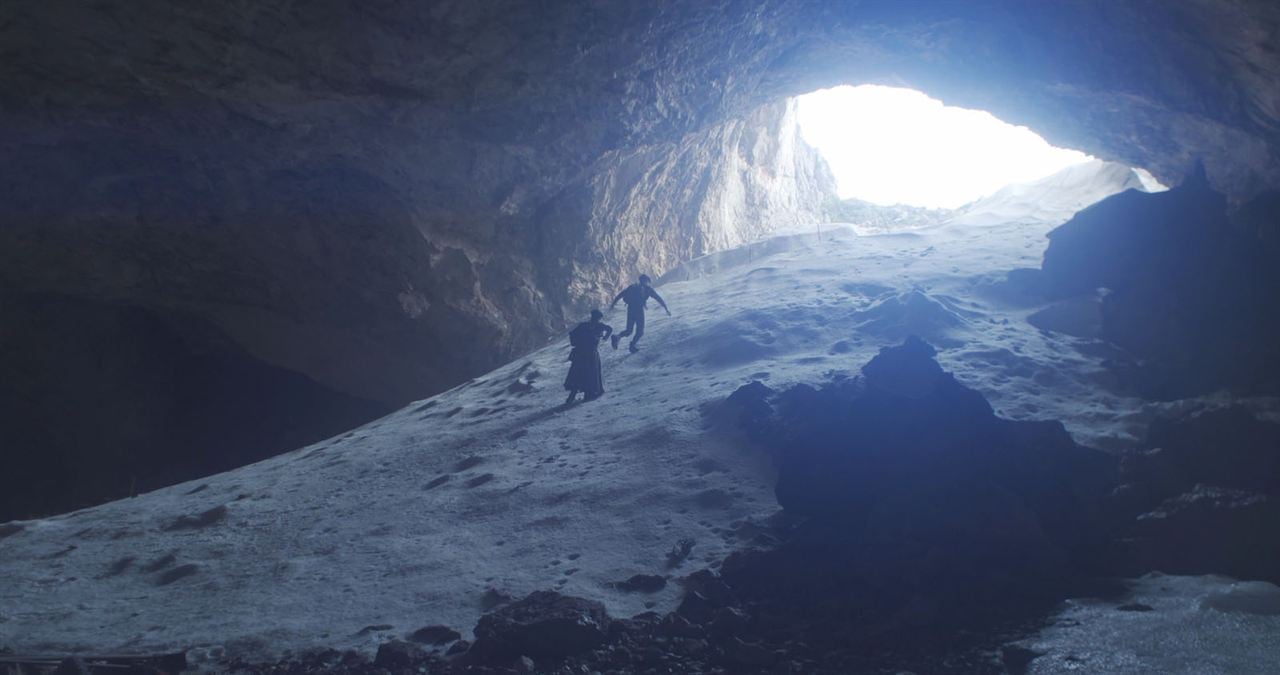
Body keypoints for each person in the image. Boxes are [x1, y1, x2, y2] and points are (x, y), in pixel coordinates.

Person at [610, 274, 670, 353]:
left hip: (631, 309)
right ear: (646, 281)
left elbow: (620, 295)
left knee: (629, 330)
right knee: (640, 332)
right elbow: (658, 298)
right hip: (639, 310)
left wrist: (613, 305)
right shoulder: (648, 289)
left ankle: (617, 337)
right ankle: (632, 345)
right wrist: (666, 308)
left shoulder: (632, 287)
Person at [563, 309, 612, 405]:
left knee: (578, 373)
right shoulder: (598, 326)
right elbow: (609, 329)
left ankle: (572, 396)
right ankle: (588, 393)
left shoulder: (584, 325)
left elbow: (572, 334)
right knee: (590, 373)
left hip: (581, 352)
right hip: (590, 353)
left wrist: (575, 343)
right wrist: (605, 337)